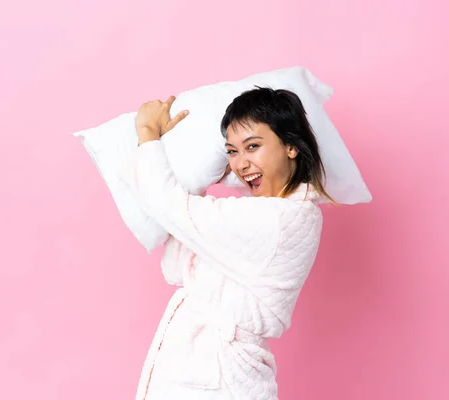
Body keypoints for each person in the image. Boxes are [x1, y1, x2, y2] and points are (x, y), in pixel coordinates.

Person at [124, 87, 336, 400]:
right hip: (208, 374)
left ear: (290, 146)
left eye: (253, 146)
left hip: (222, 381)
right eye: (232, 152)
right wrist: (203, 174)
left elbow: (168, 206)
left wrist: (147, 134)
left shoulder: (279, 219)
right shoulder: (262, 216)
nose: (241, 163)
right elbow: (175, 267)